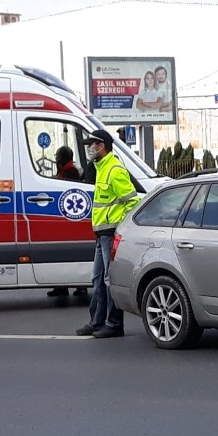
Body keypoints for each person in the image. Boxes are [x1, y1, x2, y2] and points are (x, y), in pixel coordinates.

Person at [75, 129, 140, 338]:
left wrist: (120, 228)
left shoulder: (114, 169)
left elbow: (131, 202)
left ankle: (114, 324)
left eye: (92, 144)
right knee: (97, 279)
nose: (89, 148)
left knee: (108, 279)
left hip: (110, 233)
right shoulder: (101, 167)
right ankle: (96, 322)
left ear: (101, 145)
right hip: (101, 234)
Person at [47, 145, 87, 298]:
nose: (56, 159)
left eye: (58, 156)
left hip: (72, 218)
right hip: (65, 217)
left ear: (63, 157)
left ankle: (80, 287)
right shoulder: (65, 170)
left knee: (71, 253)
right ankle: (61, 287)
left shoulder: (71, 171)